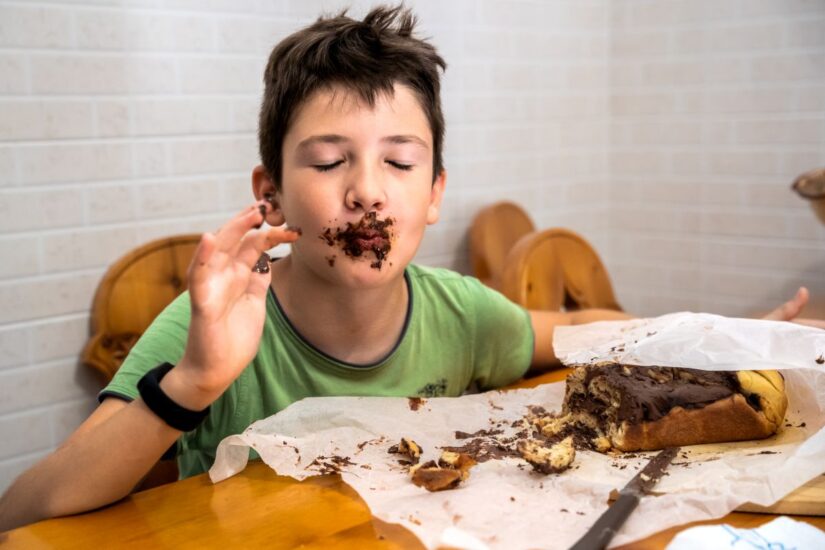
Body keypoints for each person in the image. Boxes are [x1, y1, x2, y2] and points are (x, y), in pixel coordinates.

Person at [0, 5, 818, 533]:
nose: (365, 193)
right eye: (327, 162)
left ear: (434, 194)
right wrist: (194, 382)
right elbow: (25, 513)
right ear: (271, 194)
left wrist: (716, 335)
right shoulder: (215, 329)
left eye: (398, 162)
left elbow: (569, 331)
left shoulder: (457, 313)